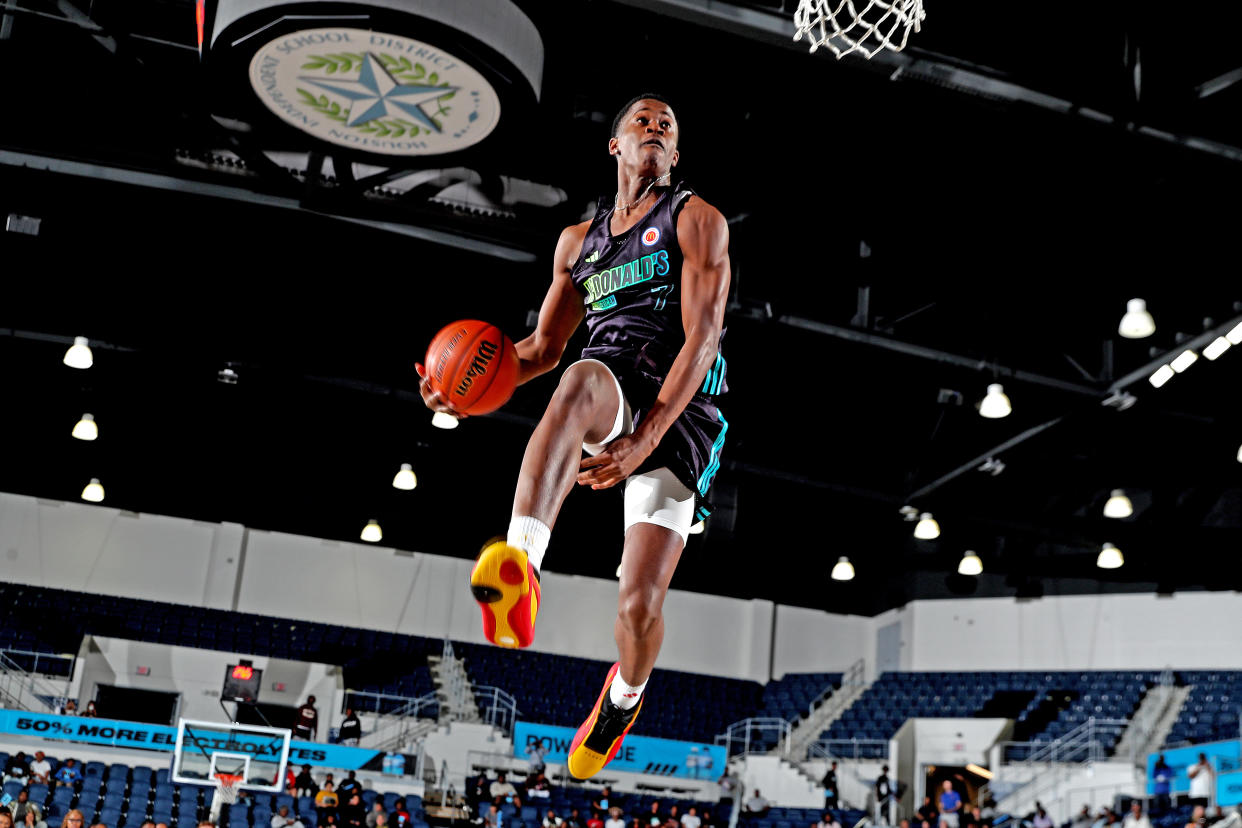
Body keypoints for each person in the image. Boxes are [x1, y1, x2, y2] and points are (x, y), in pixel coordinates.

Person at [418, 92, 731, 781]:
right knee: (579, 381)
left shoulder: (697, 220)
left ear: (674, 155)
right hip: (611, 384)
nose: (655, 128)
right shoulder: (576, 243)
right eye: (641, 121)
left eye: (668, 126)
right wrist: (464, 393)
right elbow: (537, 351)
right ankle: (521, 569)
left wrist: (645, 442)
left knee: (639, 605)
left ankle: (623, 700)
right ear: (614, 146)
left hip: (682, 409)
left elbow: (703, 340)